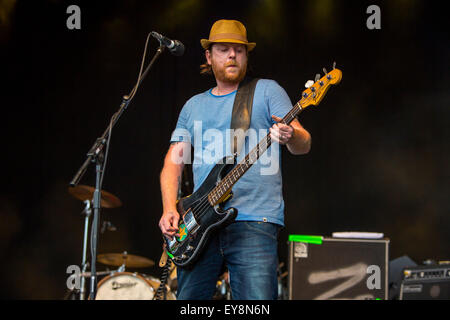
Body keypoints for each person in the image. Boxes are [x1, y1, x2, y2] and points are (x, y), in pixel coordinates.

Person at [159, 19, 311, 300]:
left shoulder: (267, 91)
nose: (232, 55)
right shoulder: (193, 106)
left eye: (239, 50)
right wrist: (170, 208)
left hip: (255, 220)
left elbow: (303, 143)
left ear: (246, 55)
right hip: (199, 224)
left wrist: (291, 136)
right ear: (209, 56)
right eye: (224, 49)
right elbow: (172, 164)